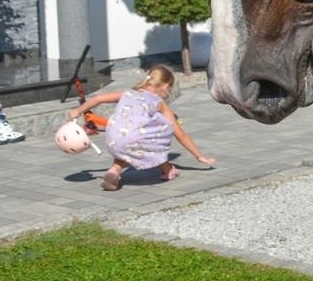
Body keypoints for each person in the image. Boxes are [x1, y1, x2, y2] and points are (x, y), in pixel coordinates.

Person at [67, 65, 215, 190]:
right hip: (136, 140)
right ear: (165, 86)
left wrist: (78, 111)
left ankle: (115, 170)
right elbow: (180, 134)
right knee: (163, 129)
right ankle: (168, 170)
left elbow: (98, 98)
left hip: (112, 139)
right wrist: (199, 156)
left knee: (130, 143)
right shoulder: (158, 102)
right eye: (169, 89)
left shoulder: (127, 93)